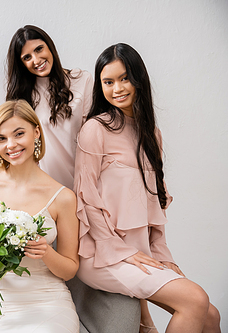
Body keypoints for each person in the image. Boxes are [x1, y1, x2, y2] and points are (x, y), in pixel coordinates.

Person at [74, 43, 221, 333]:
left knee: (210, 315)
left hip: (140, 251)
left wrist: (165, 258)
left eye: (124, 78)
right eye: (108, 81)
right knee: (195, 300)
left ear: (138, 78)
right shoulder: (96, 129)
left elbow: (154, 205)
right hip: (103, 255)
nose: (117, 88)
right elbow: (86, 199)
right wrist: (121, 251)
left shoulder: (152, 134)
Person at [0, 100, 80, 333]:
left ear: (36, 132)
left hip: (49, 301)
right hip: (1, 302)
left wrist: (46, 253)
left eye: (19, 134)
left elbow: (70, 269)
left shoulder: (63, 197)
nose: (11, 145)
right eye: (1, 138)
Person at [6, 25, 92, 190]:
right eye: (27, 57)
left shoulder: (83, 80)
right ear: (21, 63)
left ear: (50, 46)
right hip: (45, 187)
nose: (36, 60)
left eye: (39, 49)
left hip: (85, 180)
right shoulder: (22, 97)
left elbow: (93, 137)